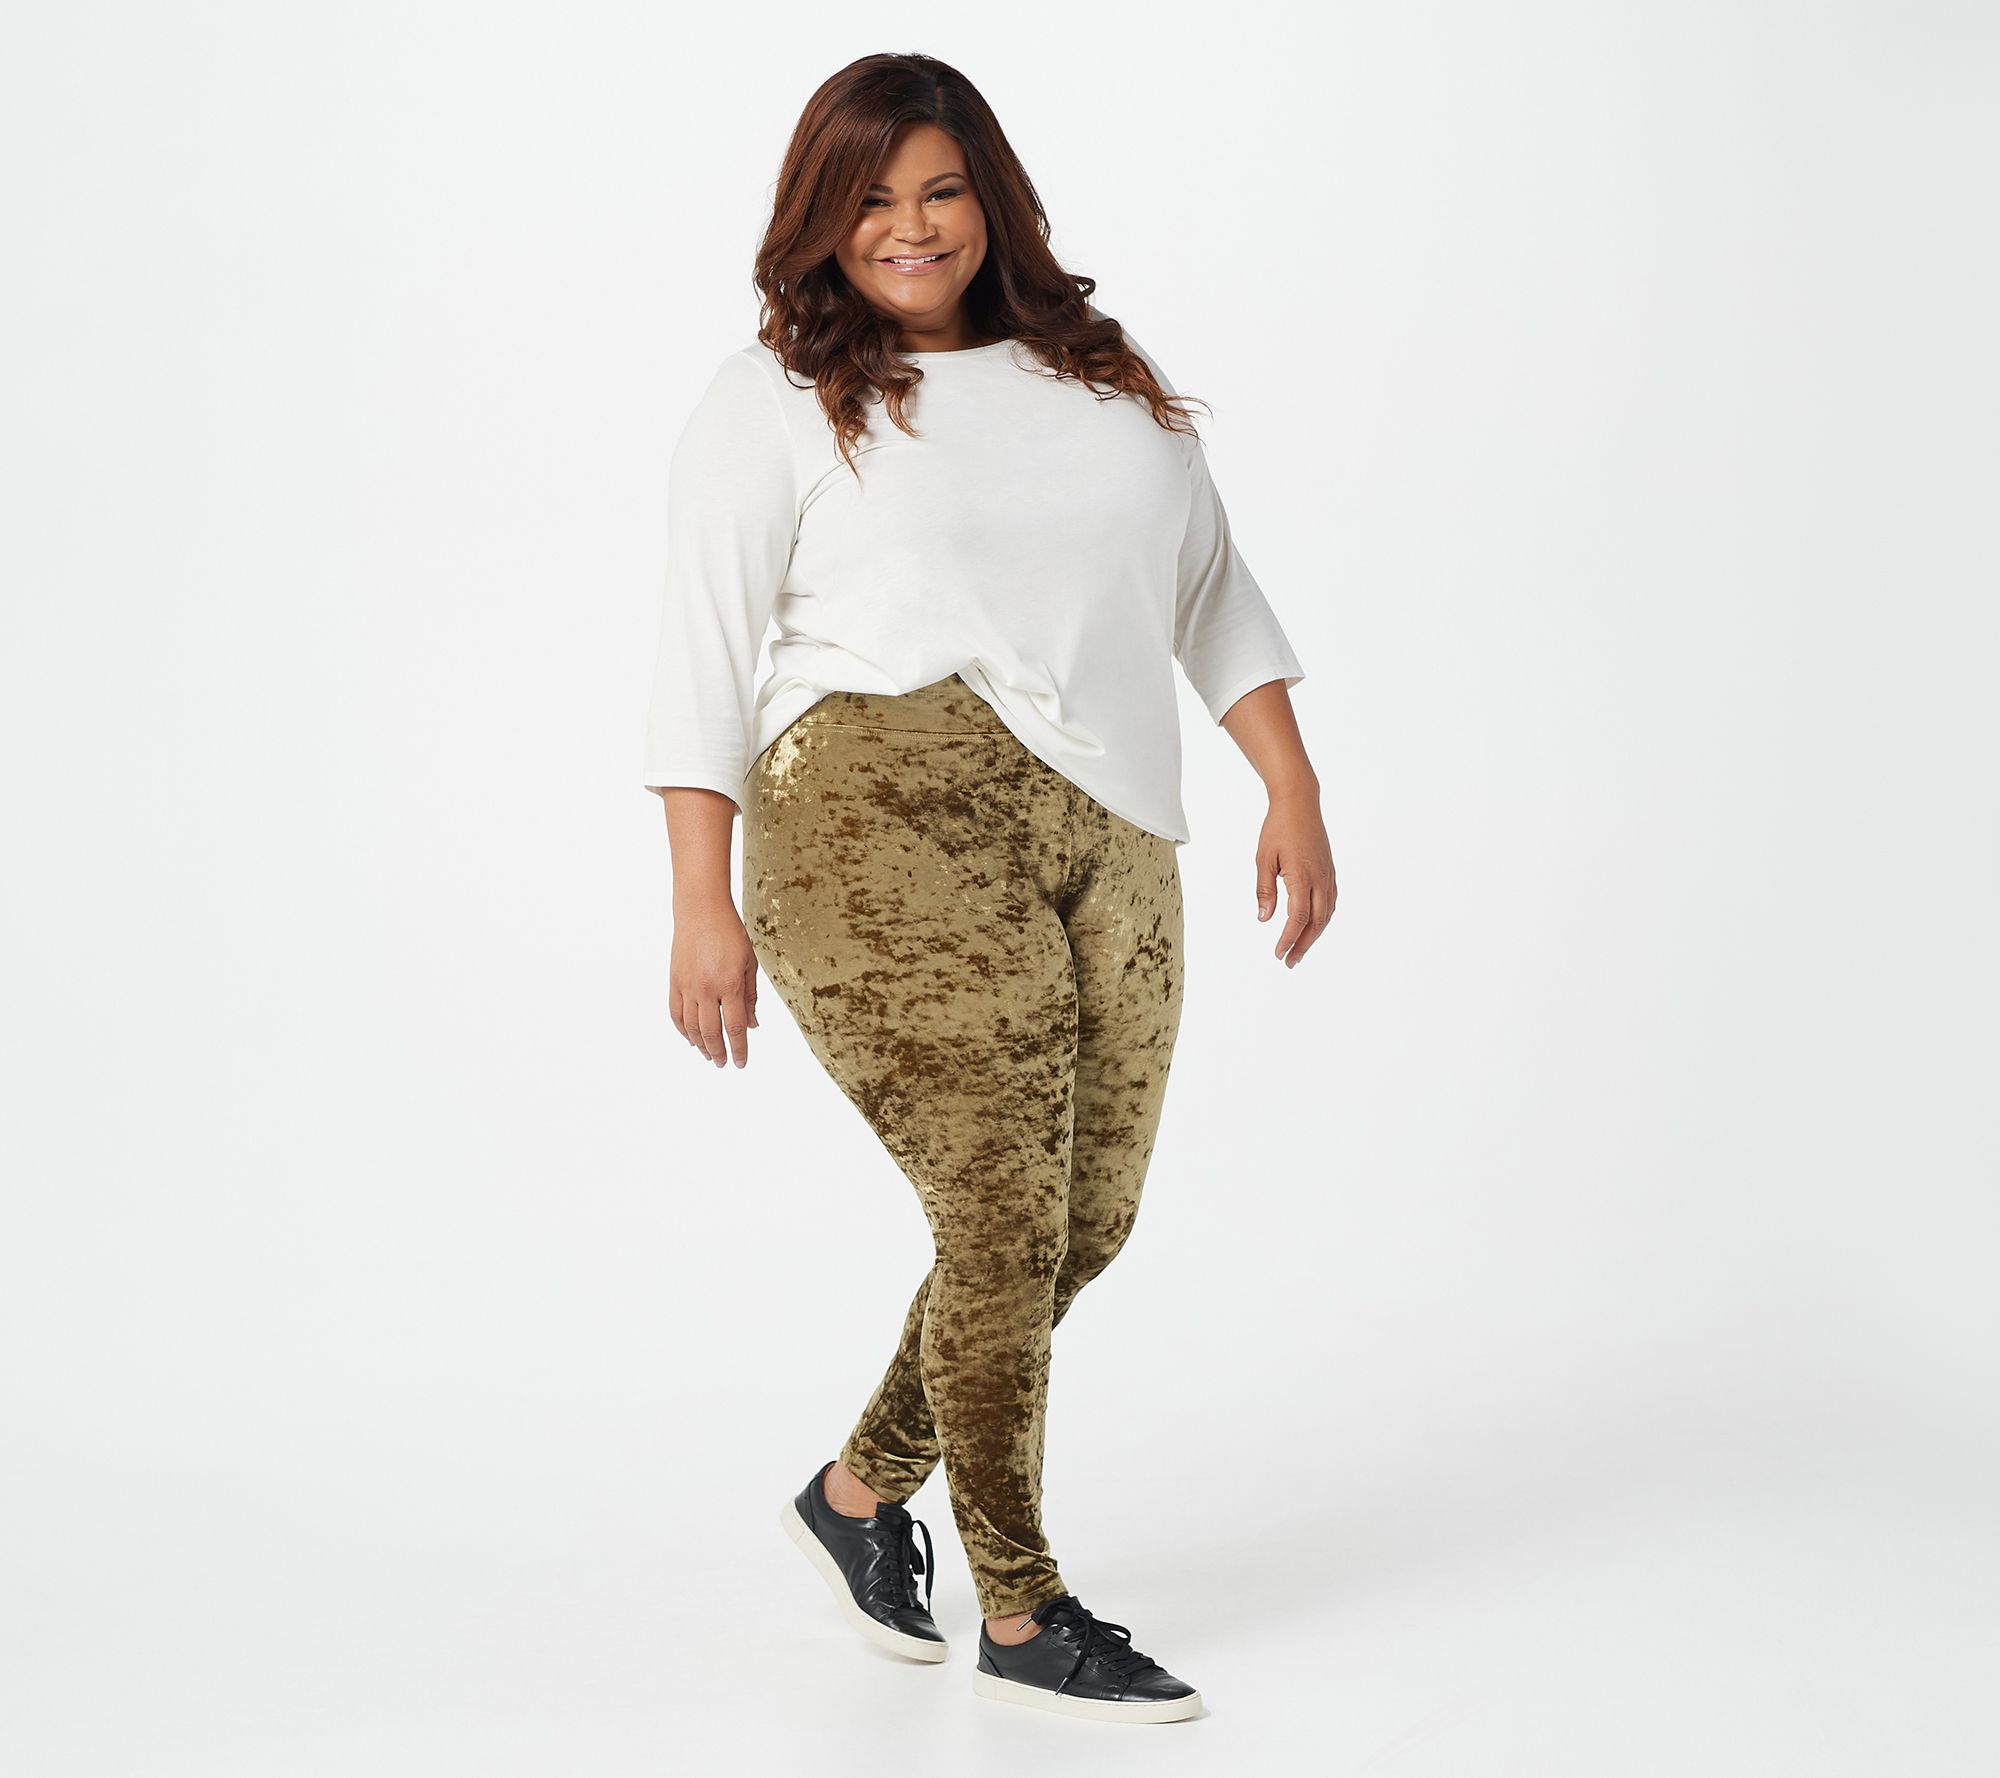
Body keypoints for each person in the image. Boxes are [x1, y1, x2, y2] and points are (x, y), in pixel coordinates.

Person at [640, 52, 1335, 1724]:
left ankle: (858, 1493)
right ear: (821, 219)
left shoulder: (1102, 379)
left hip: (1115, 828)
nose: (911, 227)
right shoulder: (774, 398)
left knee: (1083, 1217)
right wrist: (699, 898)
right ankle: (1020, 1607)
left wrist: (1292, 782)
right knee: (1002, 1209)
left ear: (990, 198)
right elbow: (700, 657)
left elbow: (1210, 590)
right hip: (872, 819)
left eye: (940, 189)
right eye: (870, 198)